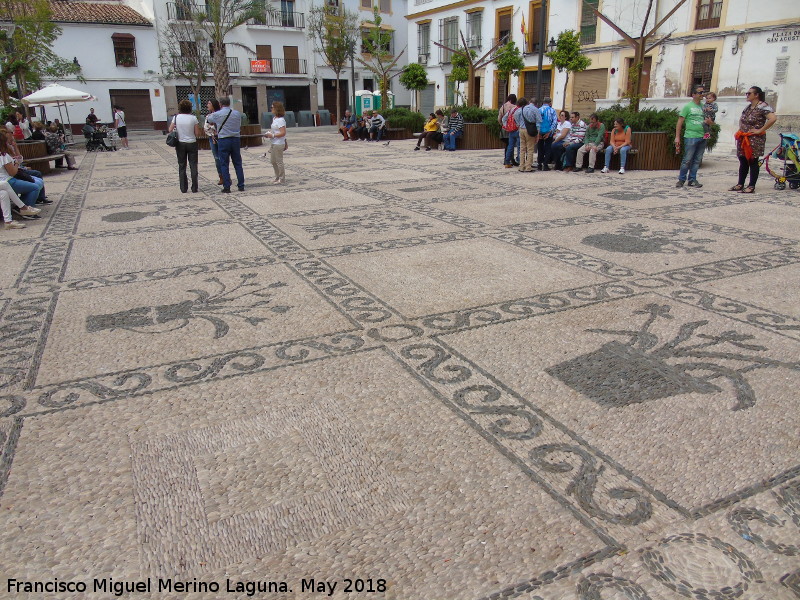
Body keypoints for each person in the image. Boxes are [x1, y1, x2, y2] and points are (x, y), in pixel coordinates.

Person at [731, 86, 777, 193]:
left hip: (755, 139)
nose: (747, 95)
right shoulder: (748, 107)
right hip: (743, 137)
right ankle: (740, 183)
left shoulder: (762, 106)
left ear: (756, 95)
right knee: (742, 160)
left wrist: (760, 130)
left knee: (752, 161)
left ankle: (751, 186)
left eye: (749, 93)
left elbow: (773, 118)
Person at [674, 85, 711, 187]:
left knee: (697, 160)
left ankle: (692, 179)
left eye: (703, 92)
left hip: (702, 136)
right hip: (691, 136)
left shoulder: (704, 107)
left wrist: (710, 122)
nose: (702, 94)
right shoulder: (688, 106)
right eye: (699, 92)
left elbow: (711, 122)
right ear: (693, 94)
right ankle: (681, 179)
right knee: (687, 159)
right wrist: (677, 136)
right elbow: (680, 122)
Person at [206, 96, 244, 193]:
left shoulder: (217, 114)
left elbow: (209, 120)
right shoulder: (237, 113)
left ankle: (227, 186)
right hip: (235, 139)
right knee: (238, 163)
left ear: (220, 104)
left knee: (224, 163)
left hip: (224, 140)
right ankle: (241, 185)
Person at [0, 132, 43, 208]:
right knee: (35, 187)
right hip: (7, 180)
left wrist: (15, 148)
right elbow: (12, 172)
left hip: (5, 180)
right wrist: (16, 163)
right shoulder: (3, 155)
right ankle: (26, 208)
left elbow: (19, 158)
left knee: (35, 181)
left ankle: (22, 205)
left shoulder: (4, 154)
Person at [168, 99, 202, 193]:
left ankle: (183, 188)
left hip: (180, 143)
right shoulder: (193, 118)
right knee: (193, 165)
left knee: (182, 165)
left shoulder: (176, 117)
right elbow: (197, 133)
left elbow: (170, 129)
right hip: (192, 143)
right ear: (190, 108)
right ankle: (194, 187)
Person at [264, 101, 287, 185]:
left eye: (272, 107)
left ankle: (282, 178)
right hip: (273, 143)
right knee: (273, 161)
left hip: (279, 143)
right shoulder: (274, 119)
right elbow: (274, 130)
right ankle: (277, 177)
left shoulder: (281, 120)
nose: (271, 109)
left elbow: (283, 133)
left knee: (279, 161)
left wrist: (273, 135)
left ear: (276, 109)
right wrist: (268, 134)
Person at [204, 99, 223, 185]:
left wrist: (213, 128)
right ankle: (221, 176)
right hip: (211, 138)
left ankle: (225, 175)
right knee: (216, 158)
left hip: (220, 137)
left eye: (209, 103)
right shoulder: (208, 116)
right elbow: (206, 127)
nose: (207, 105)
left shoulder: (219, 115)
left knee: (222, 157)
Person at [519, 98, 541, 172]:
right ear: (536, 104)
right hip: (530, 130)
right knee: (530, 149)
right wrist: (538, 134)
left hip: (521, 129)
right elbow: (538, 122)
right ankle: (528, 167)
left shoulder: (523, 108)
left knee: (522, 149)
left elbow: (516, 116)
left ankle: (521, 166)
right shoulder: (535, 109)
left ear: (529, 102)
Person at [537, 97, 557, 171]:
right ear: (550, 103)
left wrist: (538, 132)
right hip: (548, 132)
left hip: (540, 132)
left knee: (540, 148)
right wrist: (550, 132)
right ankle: (545, 165)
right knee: (548, 148)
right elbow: (554, 122)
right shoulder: (552, 110)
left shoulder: (538, 110)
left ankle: (539, 164)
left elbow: (536, 122)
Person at [501, 99, 522, 168]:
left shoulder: (511, 110)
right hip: (518, 130)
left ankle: (507, 162)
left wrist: (506, 126)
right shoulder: (521, 110)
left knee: (510, 146)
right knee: (519, 147)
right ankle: (519, 161)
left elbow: (504, 118)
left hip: (511, 131)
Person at [498, 93, 517, 162]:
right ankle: (510, 159)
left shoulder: (503, 106)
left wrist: (502, 125)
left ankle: (507, 159)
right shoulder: (514, 107)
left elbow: (499, 118)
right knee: (511, 144)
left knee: (507, 144)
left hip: (504, 128)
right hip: (512, 128)